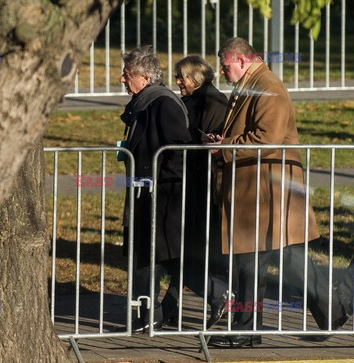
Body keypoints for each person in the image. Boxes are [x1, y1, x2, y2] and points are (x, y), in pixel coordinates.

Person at [205, 37, 353, 348]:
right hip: (261, 190)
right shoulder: (255, 82)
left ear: (243, 60)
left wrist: (224, 147)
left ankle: (248, 328)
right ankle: (329, 309)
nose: (221, 72)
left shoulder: (267, 85)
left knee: (258, 260)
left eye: (225, 65)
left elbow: (266, 138)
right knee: (278, 259)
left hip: (267, 191)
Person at [119, 45, 192, 333]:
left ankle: (219, 293)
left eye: (127, 75)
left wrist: (160, 184)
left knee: (164, 259)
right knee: (143, 257)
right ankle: (144, 315)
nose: (122, 80)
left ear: (145, 77)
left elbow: (179, 149)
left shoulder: (162, 103)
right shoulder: (141, 102)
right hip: (142, 194)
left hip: (160, 196)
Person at [161, 55, 233, 329]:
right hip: (190, 183)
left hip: (203, 186)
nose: (177, 82)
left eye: (181, 77)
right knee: (181, 249)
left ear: (195, 78)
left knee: (187, 250)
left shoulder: (212, 101)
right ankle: (171, 305)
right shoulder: (193, 100)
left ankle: (218, 295)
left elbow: (208, 142)